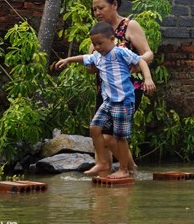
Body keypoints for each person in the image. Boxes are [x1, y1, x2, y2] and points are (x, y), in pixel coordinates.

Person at [54, 21, 154, 179]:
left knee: (120, 137)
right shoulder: (98, 57)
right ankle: (102, 162)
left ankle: (124, 169)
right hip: (108, 102)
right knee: (94, 128)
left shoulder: (120, 52)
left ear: (112, 39)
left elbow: (140, 60)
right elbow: (84, 57)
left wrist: (147, 79)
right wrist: (68, 60)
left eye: (100, 43)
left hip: (123, 100)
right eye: (94, 44)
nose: (97, 47)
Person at [89, 0, 155, 174]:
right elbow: (91, 58)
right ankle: (105, 177)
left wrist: (137, 63)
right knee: (100, 133)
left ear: (114, 5)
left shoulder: (129, 26)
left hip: (129, 89)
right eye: (94, 9)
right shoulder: (98, 32)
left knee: (110, 137)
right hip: (105, 89)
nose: (97, 13)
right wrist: (90, 66)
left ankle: (129, 170)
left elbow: (148, 53)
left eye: (101, 8)